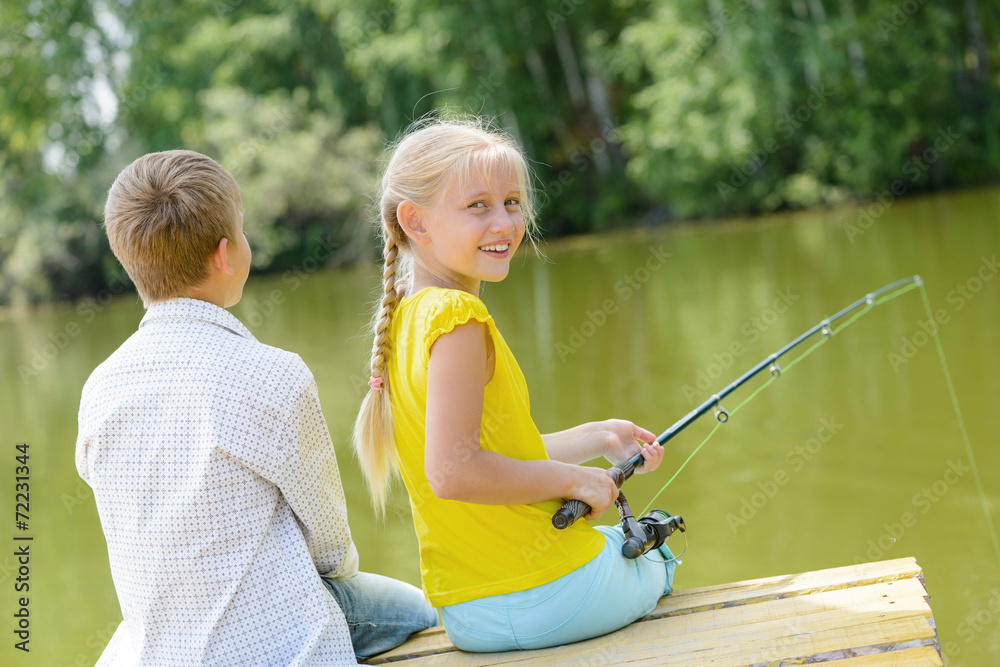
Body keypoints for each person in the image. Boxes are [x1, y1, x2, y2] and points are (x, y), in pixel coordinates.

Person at [76, 150, 436, 666]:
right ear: (226, 254)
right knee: (428, 613)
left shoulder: (99, 389)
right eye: (243, 231)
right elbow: (332, 551)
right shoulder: (273, 374)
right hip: (286, 647)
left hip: (163, 646)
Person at [352, 118, 678, 653]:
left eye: (511, 202)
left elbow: (492, 457)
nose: (503, 222)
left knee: (613, 543)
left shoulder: (406, 318)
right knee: (658, 551)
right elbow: (455, 472)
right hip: (544, 598)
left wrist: (596, 437)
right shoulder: (457, 317)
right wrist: (578, 482)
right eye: (477, 206)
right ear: (416, 221)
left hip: (469, 614)